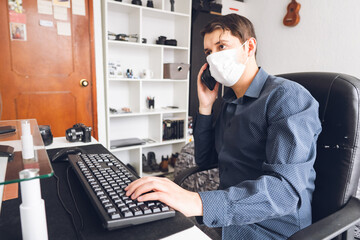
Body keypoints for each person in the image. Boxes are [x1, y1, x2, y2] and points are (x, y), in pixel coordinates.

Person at [126, 13, 322, 239]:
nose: (213, 58)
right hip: (228, 218)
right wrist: (205, 106)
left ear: (249, 47)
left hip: (270, 228)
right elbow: (206, 158)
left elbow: (284, 193)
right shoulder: (229, 102)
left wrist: (196, 201)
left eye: (222, 46)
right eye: (208, 52)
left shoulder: (287, 97)